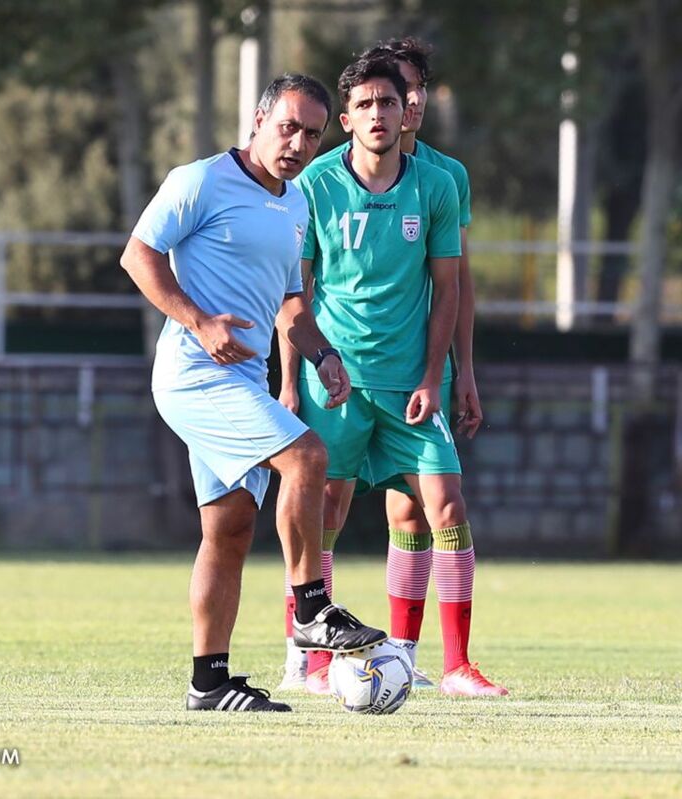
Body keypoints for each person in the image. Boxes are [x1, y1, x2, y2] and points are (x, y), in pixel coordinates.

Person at [120, 73, 386, 713]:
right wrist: (199, 321)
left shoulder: (295, 204)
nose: (297, 142)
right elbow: (137, 255)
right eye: (287, 126)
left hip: (242, 376)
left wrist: (323, 356)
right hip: (193, 372)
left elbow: (292, 302)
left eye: (312, 133)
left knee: (230, 527)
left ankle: (208, 682)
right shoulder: (200, 181)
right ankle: (312, 610)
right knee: (308, 458)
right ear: (260, 120)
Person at [277, 54, 506, 698]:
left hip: (409, 385)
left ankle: (456, 664)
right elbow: (294, 291)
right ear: (346, 120)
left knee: (446, 506)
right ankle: (308, 653)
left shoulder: (436, 184)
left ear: (410, 108)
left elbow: (450, 289)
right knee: (322, 512)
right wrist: (292, 381)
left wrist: (442, 375)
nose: (384, 113)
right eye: (369, 105)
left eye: (393, 101)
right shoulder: (315, 185)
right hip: (336, 382)